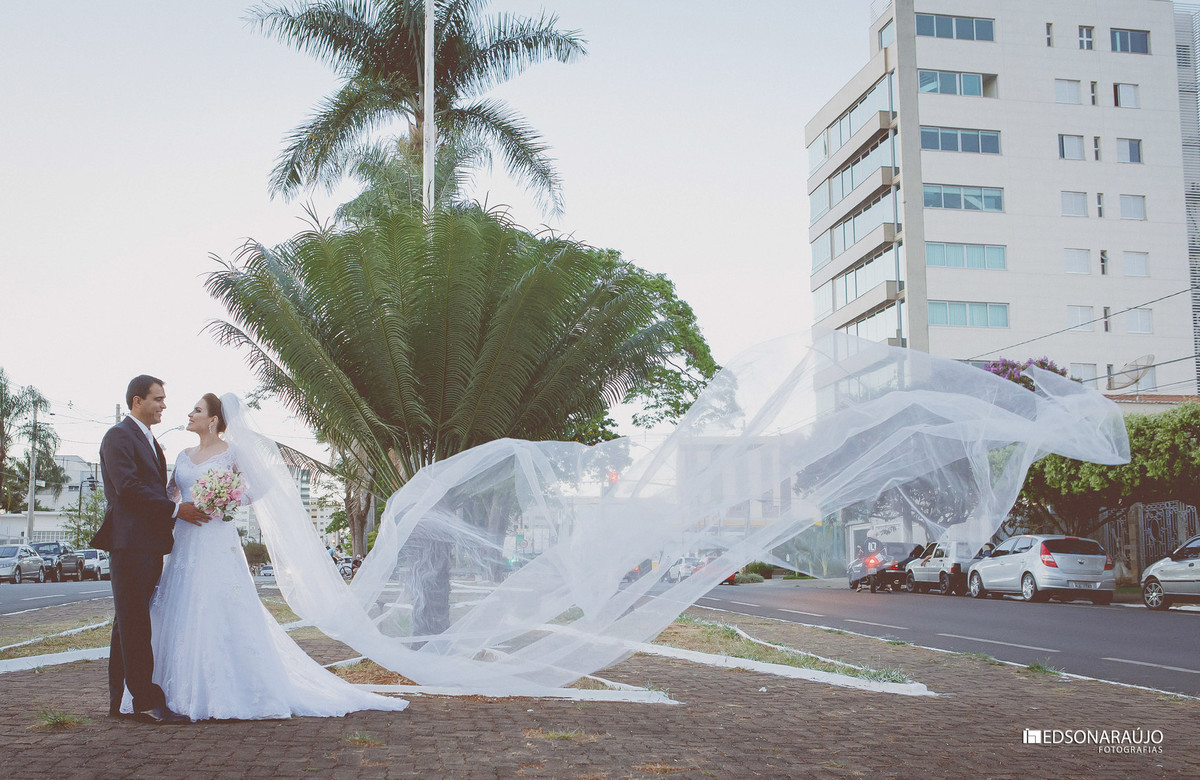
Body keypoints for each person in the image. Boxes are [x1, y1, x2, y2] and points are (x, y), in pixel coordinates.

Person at [117, 392, 406, 720]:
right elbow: (170, 495)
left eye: (196, 410)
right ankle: (171, 692)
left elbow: (263, 485)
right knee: (181, 605)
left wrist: (226, 501)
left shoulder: (233, 453)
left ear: (213, 420)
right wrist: (172, 511)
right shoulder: (182, 456)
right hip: (186, 540)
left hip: (216, 537)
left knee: (217, 604)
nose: (189, 413)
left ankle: (224, 692)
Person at [92, 375, 209, 725]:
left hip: (148, 543)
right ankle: (144, 701)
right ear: (136, 401)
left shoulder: (151, 441)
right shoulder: (118, 436)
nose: (164, 405)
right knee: (135, 623)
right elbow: (127, 488)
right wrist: (175, 510)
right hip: (128, 544)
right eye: (157, 399)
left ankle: (119, 701)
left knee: (127, 623)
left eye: (164, 399)